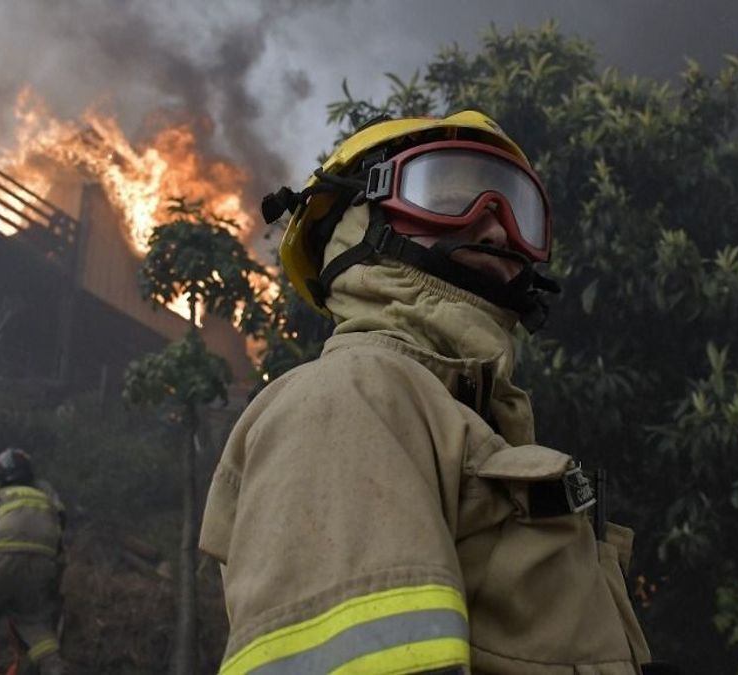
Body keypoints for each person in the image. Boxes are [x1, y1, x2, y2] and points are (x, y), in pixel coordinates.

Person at [200, 111, 651, 674]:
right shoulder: (351, 396)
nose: (494, 228)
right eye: (446, 196)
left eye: (516, 210)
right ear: (360, 217)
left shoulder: (461, 419)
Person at [0, 448, 68, 675]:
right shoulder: (45, 497)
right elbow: (61, 531)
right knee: (34, 622)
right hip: (41, 564)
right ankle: (55, 668)